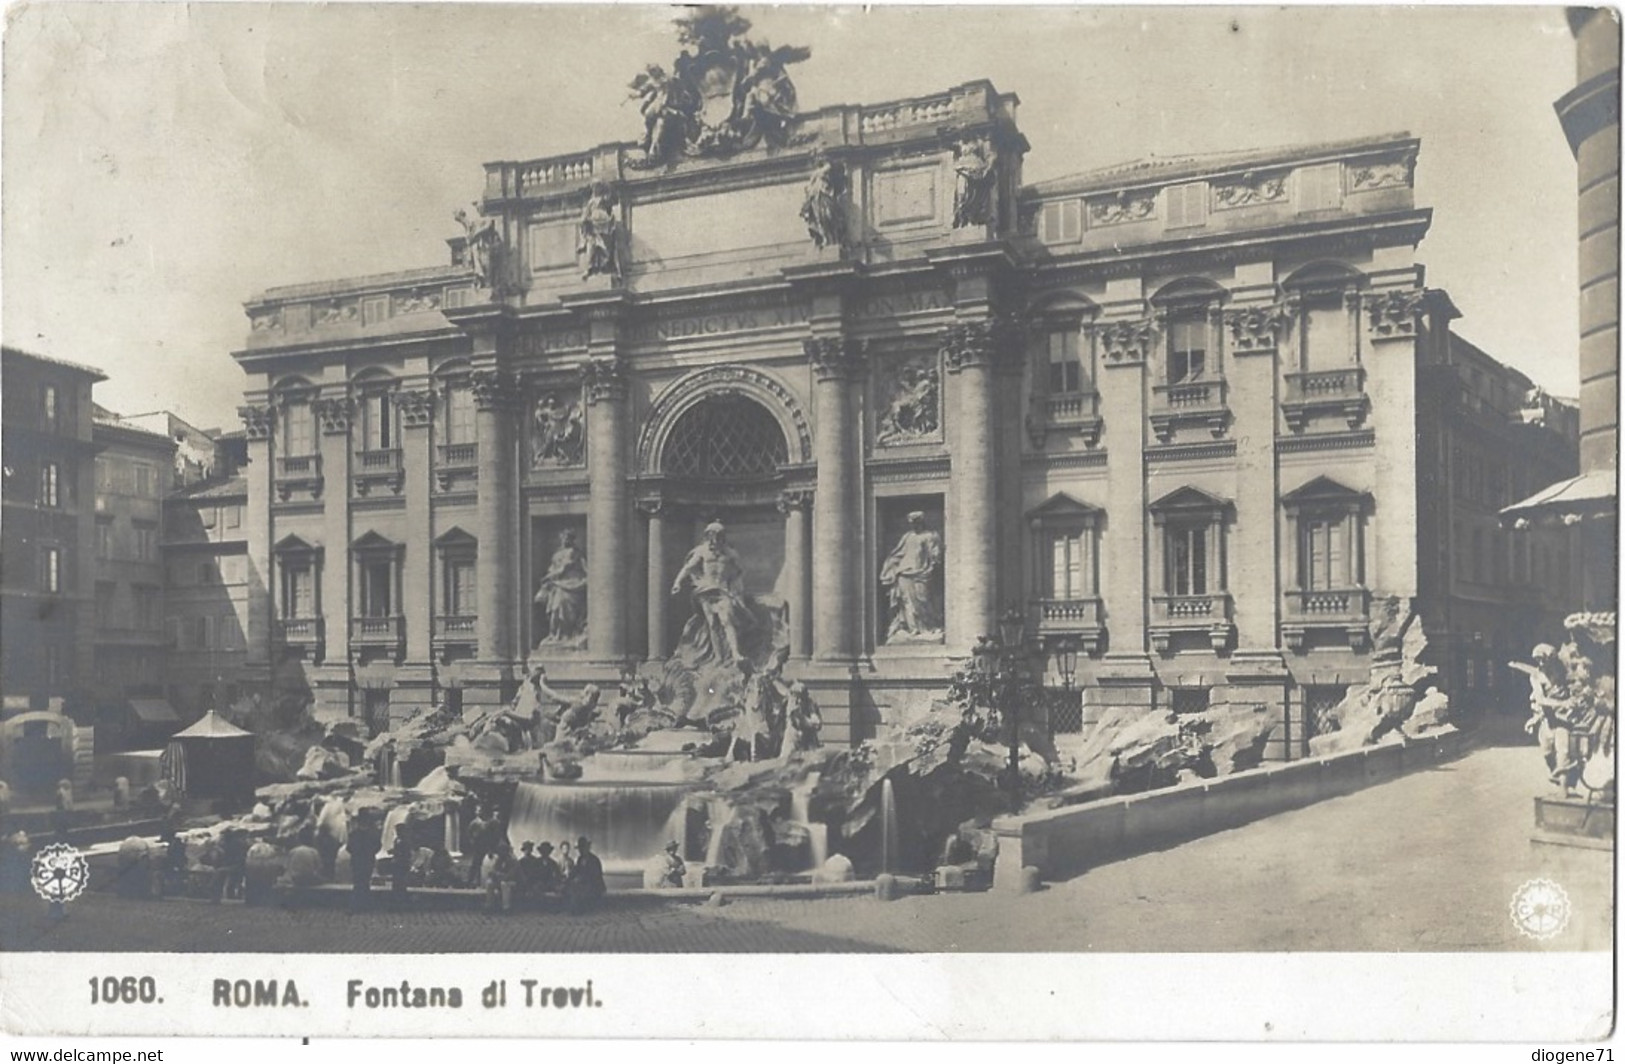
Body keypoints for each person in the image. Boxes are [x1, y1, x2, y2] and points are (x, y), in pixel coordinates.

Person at [671, 521, 753, 664]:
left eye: (717, 537)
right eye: (711, 536)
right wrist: (677, 582)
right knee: (713, 624)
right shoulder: (702, 551)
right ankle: (719, 656)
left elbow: (739, 573)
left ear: (722, 537)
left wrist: (738, 591)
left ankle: (735, 653)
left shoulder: (731, 554)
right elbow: (688, 567)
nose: (713, 540)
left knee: (727, 619)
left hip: (723, 591)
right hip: (706, 591)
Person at [1522, 643, 1579, 794]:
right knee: (1547, 753)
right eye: (1538, 660)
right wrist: (1535, 717)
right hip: (1547, 718)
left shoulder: (1562, 671)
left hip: (1563, 718)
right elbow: (1540, 699)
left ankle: (1563, 788)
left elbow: (1574, 686)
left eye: (1544, 660)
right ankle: (1559, 775)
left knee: (1563, 750)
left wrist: (1571, 701)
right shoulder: (1535, 676)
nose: (1541, 663)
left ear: (1552, 659)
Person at [879, 512, 944, 640]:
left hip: (922, 573)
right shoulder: (907, 536)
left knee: (923, 600)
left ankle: (927, 628)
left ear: (921, 521)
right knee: (906, 602)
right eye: (912, 522)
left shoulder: (930, 536)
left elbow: (935, 555)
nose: (914, 525)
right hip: (904, 573)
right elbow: (898, 553)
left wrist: (932, 567)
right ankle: (912, 629)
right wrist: (891, 566)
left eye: (916, 522)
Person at [535, 530, 589, 645]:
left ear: (572, 539)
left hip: (573, 583)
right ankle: (555, 634)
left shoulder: (575, 552)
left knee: (564, 606)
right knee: (554, 609)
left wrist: (548, 577)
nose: (565, 540)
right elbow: (553, 568)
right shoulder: (556, 554)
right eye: (563, 537)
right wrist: (549, 578)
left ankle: (566, 635)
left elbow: (566, 568)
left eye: (568, 537)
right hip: (558, 584)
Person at [345, 811, 384, 913]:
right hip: (368, 860)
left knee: (357, 883)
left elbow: (348, 848)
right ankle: (366, 905)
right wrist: (370, 853)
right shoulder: (373, 834)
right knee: (365, 882)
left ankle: (355, 905)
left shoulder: (354, 834)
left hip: (356, 860)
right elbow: (378, 846)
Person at [564, 836, 606, 912]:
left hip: (594, 884)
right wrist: (568, 879)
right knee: (570, 886)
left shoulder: (594, 860)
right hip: (583, 884)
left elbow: (595, 875)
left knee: (579, 889)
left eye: (583, 848)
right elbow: (575, 871)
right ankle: (573, 908)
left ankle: (577, 909)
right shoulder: (580, 859)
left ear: (587, 848)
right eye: (580, 849)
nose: (581, 850)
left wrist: (581, 879)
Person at [464, 805, 490, 888]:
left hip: (485, 845)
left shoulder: (488, 822)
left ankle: (480, 881)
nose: (479, 812)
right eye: (478, 811)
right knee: (476, 863)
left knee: (484, 864)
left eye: (480, 810)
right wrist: (472, 841)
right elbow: (469, 832)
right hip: (478, 845)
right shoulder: (475, 822)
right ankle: (470, 880)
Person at [389, 830, 414, 904]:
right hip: (397, 863)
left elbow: (407, 853)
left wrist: (396, 852)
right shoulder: (397, 840)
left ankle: (401, 900)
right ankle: (396, 898)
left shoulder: (406, 841)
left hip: (402, 864)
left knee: (401, 882)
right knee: (396, 882)